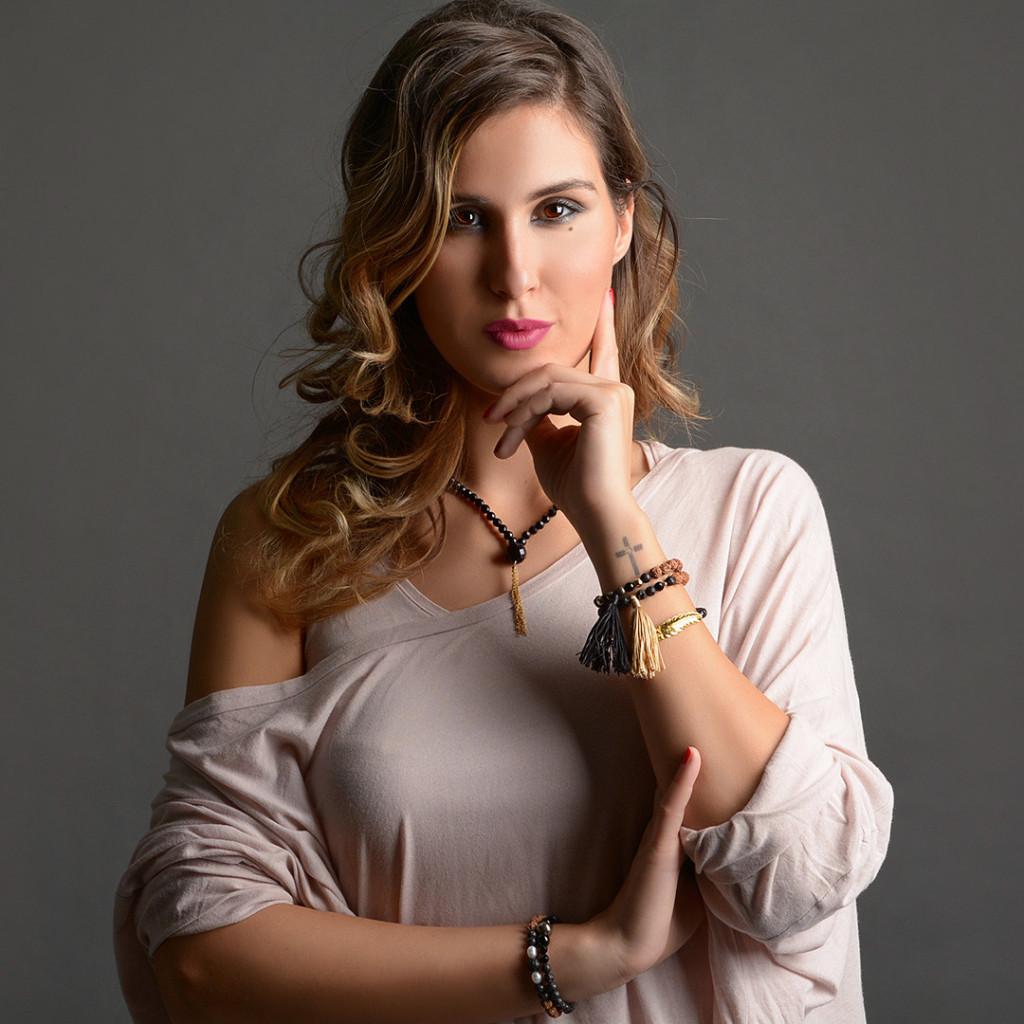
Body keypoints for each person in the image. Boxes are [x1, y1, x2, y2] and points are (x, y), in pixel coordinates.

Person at [114, 2, 893, 1021]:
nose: (514, 274)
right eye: (462, 218)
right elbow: (199, 957)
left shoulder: (753, 509)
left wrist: (614, 525)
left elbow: (796, 878)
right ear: (395, 246)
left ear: (622, 220)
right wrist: (574, 958)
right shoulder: (291, 540)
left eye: (557, 209)